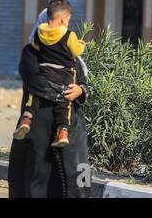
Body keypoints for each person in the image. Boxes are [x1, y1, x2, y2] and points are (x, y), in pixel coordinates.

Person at [8, 42, 90, 198]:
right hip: (39, 124)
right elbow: (37, 84)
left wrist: (80, 90)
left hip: (72, 124)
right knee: (36, 176)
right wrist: (60, 92)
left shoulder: (74, 58)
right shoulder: (32, 56)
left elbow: (85, 85)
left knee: (78, 171)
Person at [13, 0, 86, 148]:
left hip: (69, 132)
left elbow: (83, 80)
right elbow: (34, 80)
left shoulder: (66, 53)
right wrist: (60, 93)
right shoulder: (30, 53)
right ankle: (60, 129)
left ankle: (30, 119)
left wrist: (81, 90)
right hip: (40, 127)